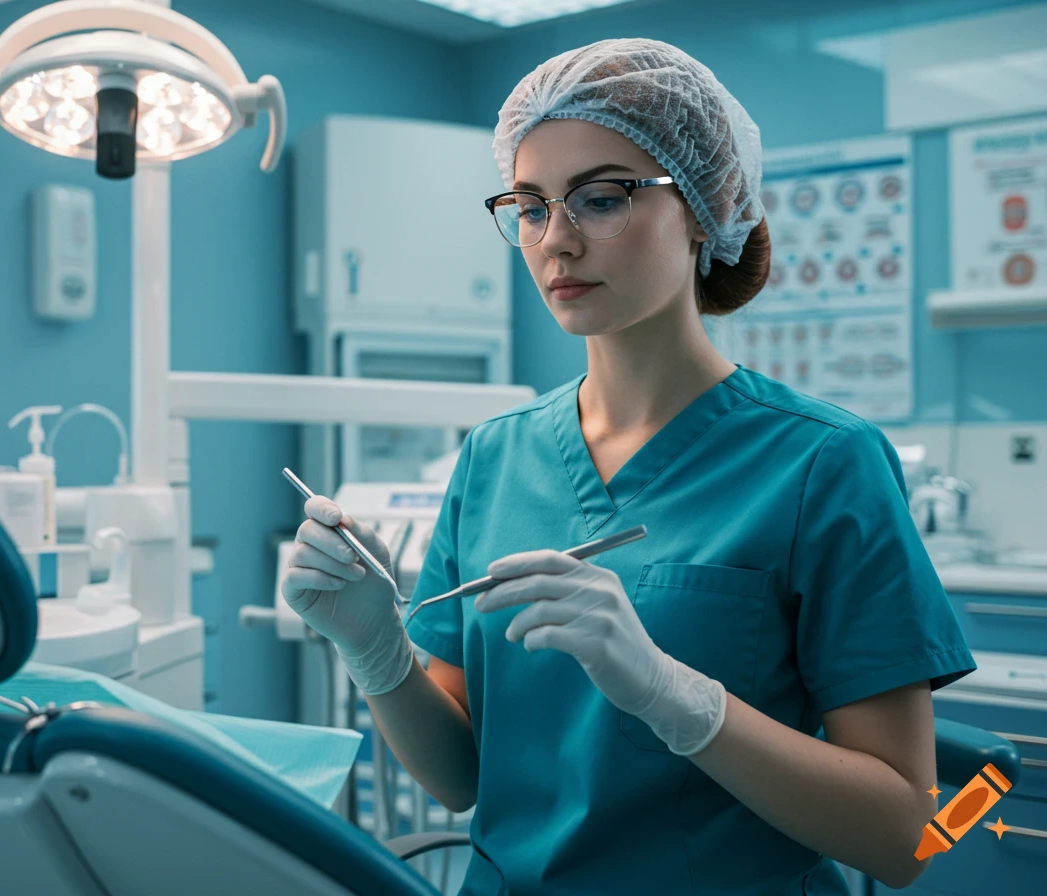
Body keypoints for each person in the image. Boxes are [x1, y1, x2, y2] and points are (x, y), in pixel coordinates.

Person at [281, 38, 974, 895]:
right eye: (530, 207)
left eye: (601, 199)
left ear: (707, 203)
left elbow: (908, 837)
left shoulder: (822, 463)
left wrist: (675, 698)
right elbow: (462, 777)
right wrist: (374, 648)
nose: (556, 242)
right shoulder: (496, 455)